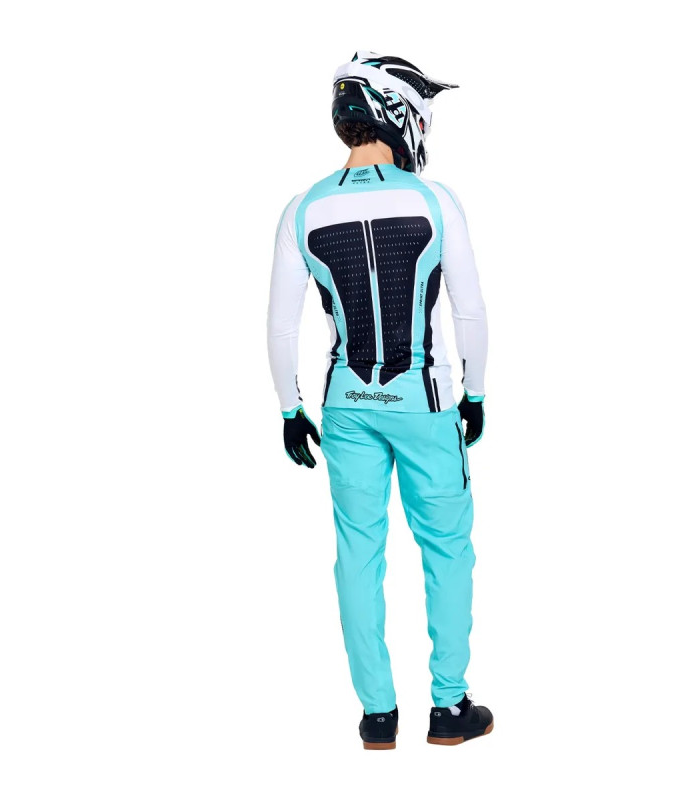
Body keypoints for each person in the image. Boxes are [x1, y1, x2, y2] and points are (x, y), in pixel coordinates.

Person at [266, 51, 494, 750]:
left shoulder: (303, 208)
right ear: (403, 115)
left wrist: (288, 409)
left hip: (345, 404)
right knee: (446, 549)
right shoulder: (434, 199)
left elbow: (280, 326)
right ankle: (448, 709)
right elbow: (470, 312)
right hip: (424, 401)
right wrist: (476, 393)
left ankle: (377, 716)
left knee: (357, 554)